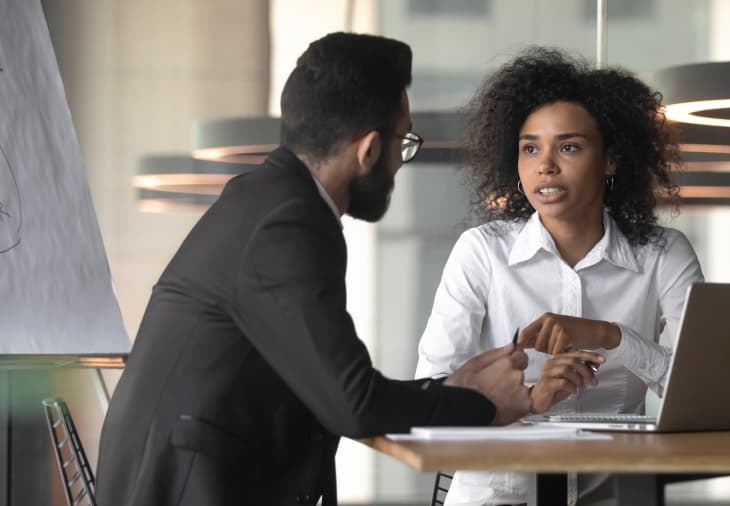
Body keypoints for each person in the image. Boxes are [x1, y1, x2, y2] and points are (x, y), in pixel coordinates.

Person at [95, 32, 532, 506]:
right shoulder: (290, 224)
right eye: (402, 142)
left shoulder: (265, 198)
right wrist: (481, 402)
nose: (399, 164)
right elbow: (353, 405)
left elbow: (332, 385)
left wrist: (450, 386)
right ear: (368, 149)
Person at [415, 48, 704, 505]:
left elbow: (703, 393)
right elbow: (432, 390)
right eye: (530, 148)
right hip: (499, 494)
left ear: (611, 160)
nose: (545, 164)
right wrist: (527, 399)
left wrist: (613, 336)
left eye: (568, 147)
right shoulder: (483, 252)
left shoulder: (662, 255)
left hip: (614, 493)